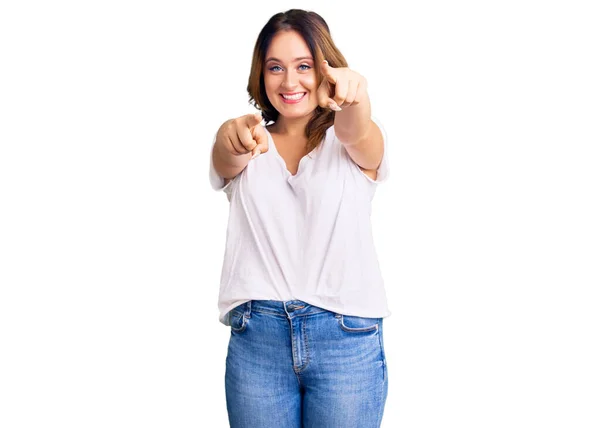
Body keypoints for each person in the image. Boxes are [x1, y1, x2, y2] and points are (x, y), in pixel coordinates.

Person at [208, 8, 391, 428]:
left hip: (347, 340)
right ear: (261, 73)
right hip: (258, 341)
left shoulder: (352, 140)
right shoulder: (249, 137)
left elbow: (355, 132)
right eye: (276, 67)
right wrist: (229, 136)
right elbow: (225, 156)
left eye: (304, 66)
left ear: (326, 69)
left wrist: (355, 98)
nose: (289, 82)